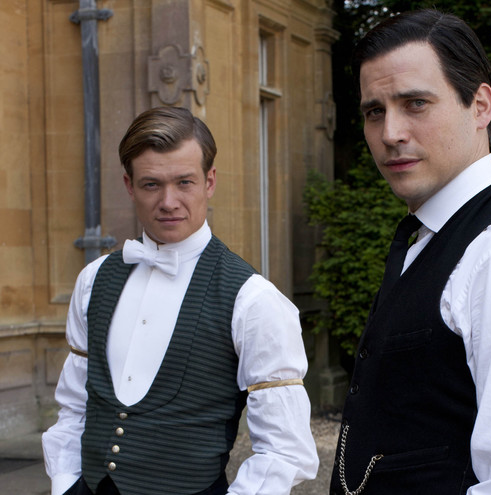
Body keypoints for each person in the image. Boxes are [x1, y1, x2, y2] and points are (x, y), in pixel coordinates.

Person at [329, 9, 491, 495]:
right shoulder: (429, 238)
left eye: (415, 103)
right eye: (374, 111)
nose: (390, 133)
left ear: (480, 106)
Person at [42, 106, 319, 495]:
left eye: (184, 182)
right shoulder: (93, 280)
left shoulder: (253, 300)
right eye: (151, 184)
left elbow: (284, 450)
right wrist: (65, 483)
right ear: (129, 185)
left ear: (210, 181)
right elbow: (74, 405)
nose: (168, 201)